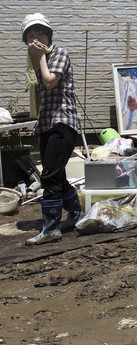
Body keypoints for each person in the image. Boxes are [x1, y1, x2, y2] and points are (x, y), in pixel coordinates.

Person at [22, 13, 83, 246]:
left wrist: (39, 59)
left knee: (48, 176)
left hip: (62, 123)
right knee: (56, 174)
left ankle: (50, 228)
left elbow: (49, 81)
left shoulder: (58, 54)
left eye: (39, 34)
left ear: (48, 36)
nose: (35, 39)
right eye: (30, 36)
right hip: (46, 124)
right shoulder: (38, 60)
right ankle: (76, 214)